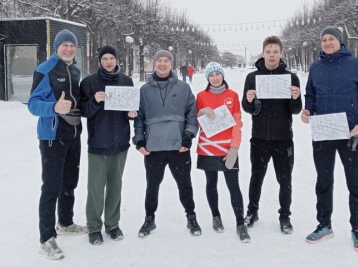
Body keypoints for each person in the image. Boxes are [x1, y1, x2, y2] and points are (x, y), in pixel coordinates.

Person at [301, 26, 358, 251]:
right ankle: (324, 225)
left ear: (340, 41)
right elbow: (310, 95)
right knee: (323, 182)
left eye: (331, 39)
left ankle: (357, 229)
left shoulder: (357, 66)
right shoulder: (315, 67)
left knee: (355, 184)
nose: (327, 43)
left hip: (350, 135)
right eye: (323, 39)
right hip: (323, 133)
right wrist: (308, 111)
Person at [28, 29, 87, 260]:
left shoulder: (76, 69)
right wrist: (53, 107)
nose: (69, 49)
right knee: (52, 186)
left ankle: (65, 222)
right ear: (56, 47)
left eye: (72, 45)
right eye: (65, 45)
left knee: (70, 182)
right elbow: (33, 104)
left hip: (73, 134)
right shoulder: (45, 70)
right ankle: (47, 238)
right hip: (52, 137)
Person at [132, 50, 201, 237]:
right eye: (159, 61)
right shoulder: (144, 91)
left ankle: (191, 216)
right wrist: (139, 140)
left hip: (179, 146)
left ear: (171, 64)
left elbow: (191, 115)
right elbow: (139, 118)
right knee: (152, 185)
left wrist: (188, 136)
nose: (162, 64)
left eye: (166, 61)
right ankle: (149, 218)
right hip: (153, 147)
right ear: (154, 64)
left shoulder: (183, 88)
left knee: (184, 184)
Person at [241, 36, 302, 234]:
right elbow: (247, 108)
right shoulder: (252, 78)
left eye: (276, 51)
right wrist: (249, 100)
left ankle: (285, 216)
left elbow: (296, 110)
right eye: (268, 51)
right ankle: (252, 211)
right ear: (263, 53)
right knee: (256, 177)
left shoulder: (291, 77)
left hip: (283, 138)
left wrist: (295, 98)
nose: (272, 55)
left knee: (285, 179)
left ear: (281, 54)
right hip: (259, 138)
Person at [80, 45, 137, 245]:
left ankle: (112, 224)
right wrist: (95, 101)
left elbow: (129, 111)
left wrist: (131, 113)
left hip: (120, 143)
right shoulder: (89, 83)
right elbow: (83, 112)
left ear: (116, 59)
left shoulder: (126, 81)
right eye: (104, 58)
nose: (108, 62)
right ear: (99, 61)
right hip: (97, 143)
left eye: (111, 58)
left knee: (115, 186)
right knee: (95, 188)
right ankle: (94, 227)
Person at [196, 62, 250, 242]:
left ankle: (240, 224)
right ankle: (216, 216)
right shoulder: (201, 96)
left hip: (228, 148)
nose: (215, 78)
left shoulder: (232, 95)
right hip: (207, 147)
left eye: (217, 74)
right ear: (207, 78)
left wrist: (234, 146)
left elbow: (237, 123)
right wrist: (200, 113)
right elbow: (196, 123)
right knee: (211, 183)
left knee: (233, 186)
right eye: (211, 75)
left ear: (223, 75)